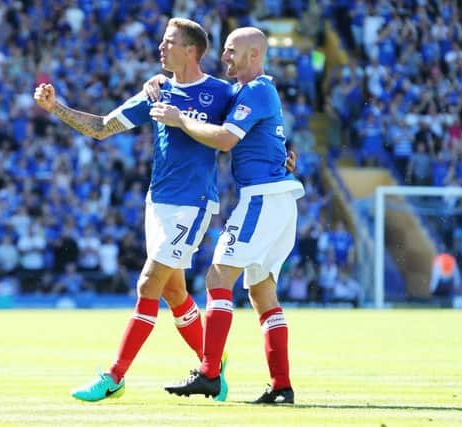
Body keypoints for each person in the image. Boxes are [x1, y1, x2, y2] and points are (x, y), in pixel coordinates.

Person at [34, 18, 237, 402]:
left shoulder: (220, 93)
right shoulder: (156, 92)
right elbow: (102, 127)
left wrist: (282, 157)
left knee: (148, 284)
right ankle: (213, 366)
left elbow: (243, 132)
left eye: (169, 42)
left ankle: (114, 377)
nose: (160, 48)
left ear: (191, 50)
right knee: (175, 292)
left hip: (192, 204)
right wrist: (55, 107)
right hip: (157, 204)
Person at [148, 26, 305, 404]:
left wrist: (180, 120)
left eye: (232, 51)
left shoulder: (257, 90)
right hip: (278, 198)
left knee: (218, 275)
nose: (225, 57)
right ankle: (281, 386)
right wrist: (161, 79)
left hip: (262, 197)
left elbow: (225, 139)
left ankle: (209, 373)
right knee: (262, 292)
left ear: (254, 55)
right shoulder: (247, 92)